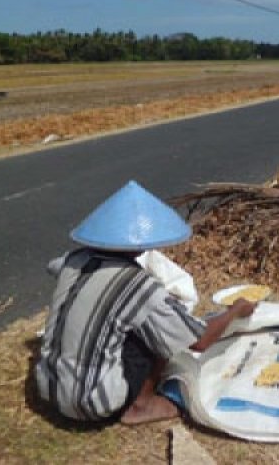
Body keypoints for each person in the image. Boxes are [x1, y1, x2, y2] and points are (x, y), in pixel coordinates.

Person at [36, 180, 256, 425]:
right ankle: (142, 405)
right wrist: (235, 310)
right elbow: (200, 342)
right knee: (158, 327)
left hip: (48, 390)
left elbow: (53, 266)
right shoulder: (139, 285)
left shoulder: (72, 261)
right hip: (91, 403)